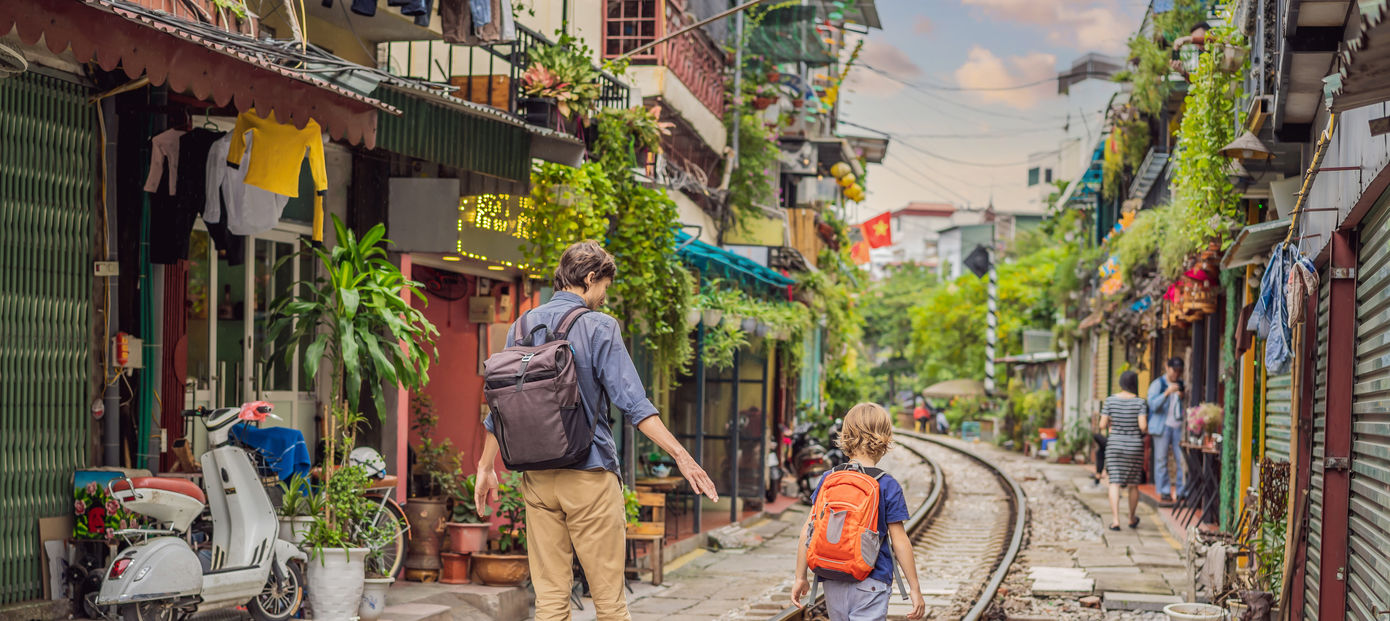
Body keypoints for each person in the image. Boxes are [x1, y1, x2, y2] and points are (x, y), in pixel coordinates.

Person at [473, 241, 718, 621]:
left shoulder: (520, 326)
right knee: (609, 604)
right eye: (604, 285)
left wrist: (485, 467)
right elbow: (635, 405)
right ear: (590, 278)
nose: (604, 296)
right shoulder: (599, 326)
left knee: (551, 603)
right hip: (589, 473)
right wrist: (682, 456)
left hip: (536, 478)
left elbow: (501, 404)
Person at [790, 403, 926, 621]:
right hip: (871, 582)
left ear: (846, 435)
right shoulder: (887, 484)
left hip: (832, 579)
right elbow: (900, 541)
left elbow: (808, 530)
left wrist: (800, 576)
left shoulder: (828, 478)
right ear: (884, 439)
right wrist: (915, 588)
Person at [1101, 370, 1148, 531]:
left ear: (1121, 383)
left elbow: (1101, 424)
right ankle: (1131, 518)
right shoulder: (1140, 403)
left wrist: (1112, 425)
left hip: (1115, 445)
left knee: (1114, 482)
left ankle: (1115, 521)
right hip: (1134, 446)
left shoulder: (1110, 401)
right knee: (1133, 484)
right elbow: (1143, 426)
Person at [1146, 358, 1187, 504]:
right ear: (1167, 367)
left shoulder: (1181, 384)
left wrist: (1181, 397)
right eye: (1174, 370)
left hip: (1177, 427)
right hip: (1162, 427)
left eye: (1179, 371)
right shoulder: (1158, 384)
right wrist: (1166, 393)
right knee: (1161, 460)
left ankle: (1182, 492)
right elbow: (1152, 405)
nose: (1176, 373)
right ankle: (1164, 491)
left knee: (1181, 460)